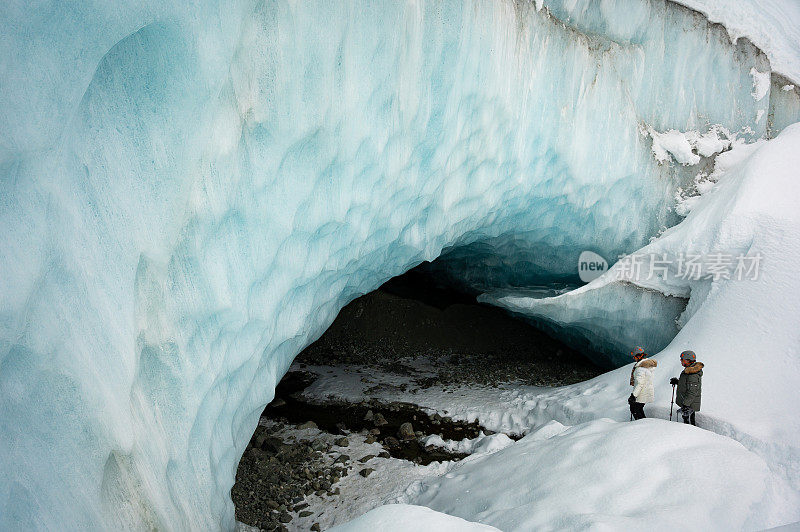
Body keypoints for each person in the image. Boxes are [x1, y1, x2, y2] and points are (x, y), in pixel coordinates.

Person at [670, 350, 703, 426]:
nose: (681, 361)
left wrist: (685, 405)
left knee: (688, 422)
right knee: (689, 419)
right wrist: (678, 382)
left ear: (688, 360)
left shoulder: (693, 374)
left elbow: (692, 391)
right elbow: (688, 384)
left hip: (689, 403)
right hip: (688, 402)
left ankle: (690, 434)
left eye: (682, 359)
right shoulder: (690, 370)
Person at [628, 346, 656, 420]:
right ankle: (643, 423)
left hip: (641, 393)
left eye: (634, 357)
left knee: (634, 409)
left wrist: (633, 395)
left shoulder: (640, 369)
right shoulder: (647, 365)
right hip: (645, 391)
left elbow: (639, 383)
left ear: (639, 356)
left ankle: (642, 425)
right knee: (638, 409)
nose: (634, 358)